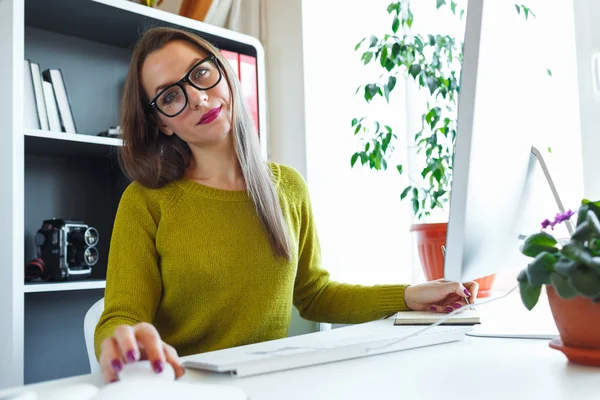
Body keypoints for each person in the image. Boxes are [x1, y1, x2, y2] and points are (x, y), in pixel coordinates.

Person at [94, 26, 479, 384]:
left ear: (224, 73)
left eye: (200, 73)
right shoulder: (146, 201)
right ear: (162, 123)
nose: (197, 97)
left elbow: (315, 295)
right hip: (190, 388)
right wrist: (125, 342)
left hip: (270, 384)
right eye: (171, 96)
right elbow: (121, 317)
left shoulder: (288, 186)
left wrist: (408, 295)